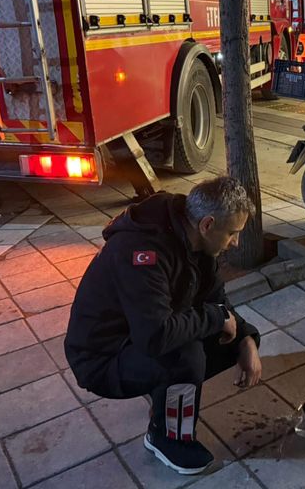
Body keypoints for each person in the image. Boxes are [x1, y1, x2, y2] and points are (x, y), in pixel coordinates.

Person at [65, 177, 262, 475]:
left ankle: (164, 397)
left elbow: (216, 299)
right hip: (102, 356)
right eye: (232, 233)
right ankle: (167, 438)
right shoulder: (142, 251)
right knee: (186, 357)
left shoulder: (195, 239)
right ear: (207, 225)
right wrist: (215, 318)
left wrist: (245, 338)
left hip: (139, 334)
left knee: (226, 340)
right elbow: (154, 337)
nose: (235, 242)